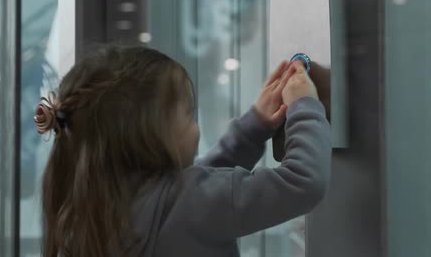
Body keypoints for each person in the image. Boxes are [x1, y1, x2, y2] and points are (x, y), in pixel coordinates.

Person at [34, 46, 331, 257]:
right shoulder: (193, 203)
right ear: (151, 135)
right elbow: (303, 182)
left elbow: (188, 192)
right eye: (189, 115)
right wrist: (304, 106)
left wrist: (254, 126)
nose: (196, 127)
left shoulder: (86, 211)